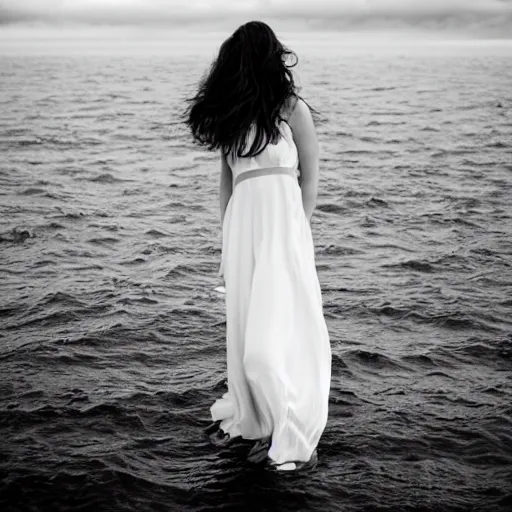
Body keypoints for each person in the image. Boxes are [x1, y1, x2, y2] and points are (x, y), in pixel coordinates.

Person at [183, 20, 331, 471]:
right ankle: (261, 421)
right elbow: (226, 189)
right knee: (247, 337)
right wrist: (227, 246)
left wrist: (296, 235)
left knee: (266, 349)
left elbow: (311, 179)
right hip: (244, 234)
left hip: (282, 235)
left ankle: (292, 425)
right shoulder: (233, 120)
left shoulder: (292, 110)